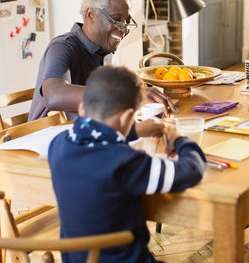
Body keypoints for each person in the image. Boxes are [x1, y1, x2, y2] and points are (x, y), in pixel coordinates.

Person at [48, 65, 206, 263]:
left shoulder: (59, 144)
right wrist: (181, 140)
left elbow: (101, 138)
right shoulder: (125, 162)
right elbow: (191, 171)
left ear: (82, 107)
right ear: (125, 116)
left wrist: (136, 131)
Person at [29, 0, 176, 138]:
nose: (124, 28)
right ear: (91, 14)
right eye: (117, 19)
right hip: (45, 145)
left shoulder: (102, 50)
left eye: (126, 21)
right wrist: (129, 95)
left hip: (85, 139)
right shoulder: (62, 47)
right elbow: (54, 96)